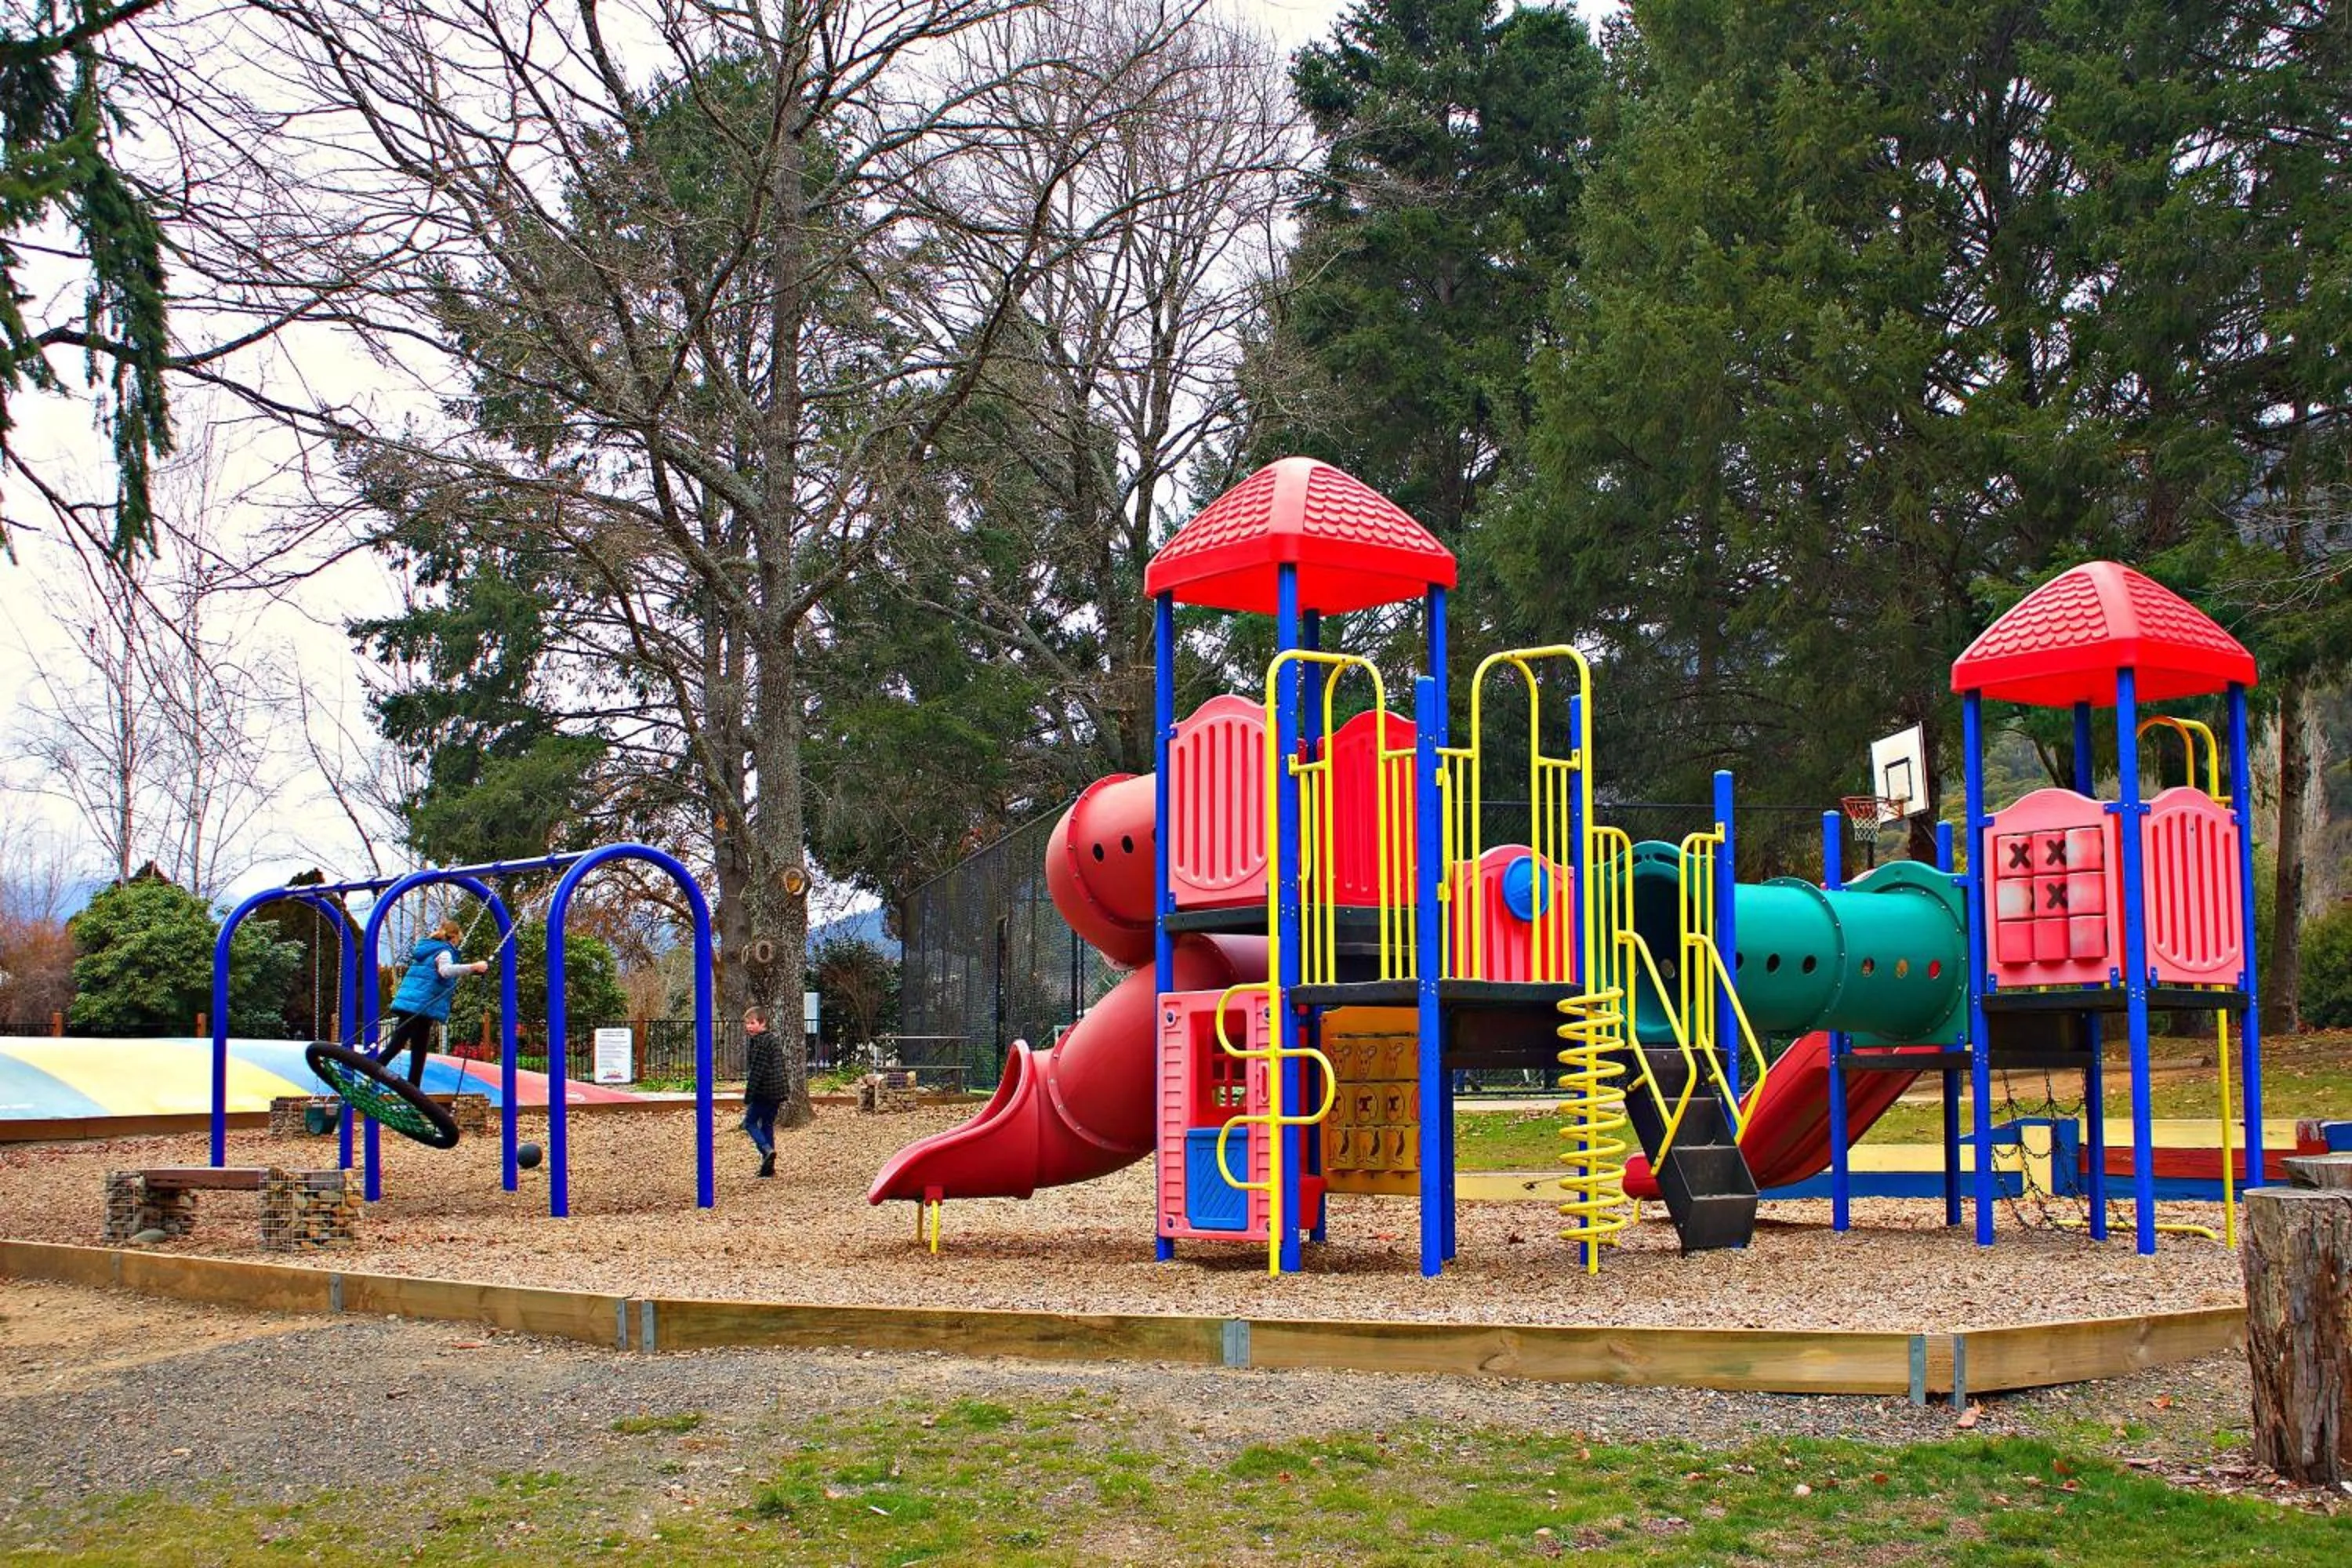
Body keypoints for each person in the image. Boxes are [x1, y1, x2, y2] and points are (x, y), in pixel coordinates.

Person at [385, 917, 491, 1084]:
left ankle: (411, 1089)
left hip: (413, 1003)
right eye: (459, 940)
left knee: (410, 1047)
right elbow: (446, 971)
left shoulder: (427, 949)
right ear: (454, 937)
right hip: (422, 1006)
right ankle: (376, 1075)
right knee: (410, 1049)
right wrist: (473, 967)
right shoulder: (444, 951)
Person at [742, 1004, 783, 1178]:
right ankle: (768, 1168)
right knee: (767, 1125)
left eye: (752, 1023)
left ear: (763, 1022)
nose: (749, 1027)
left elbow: (757, 1071)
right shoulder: (773, 1040)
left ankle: (766, 1149)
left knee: (750, 1123)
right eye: (747, 1024)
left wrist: (748, 1095)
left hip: (763, 1091)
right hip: (777, 1092)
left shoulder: (759, 1042)